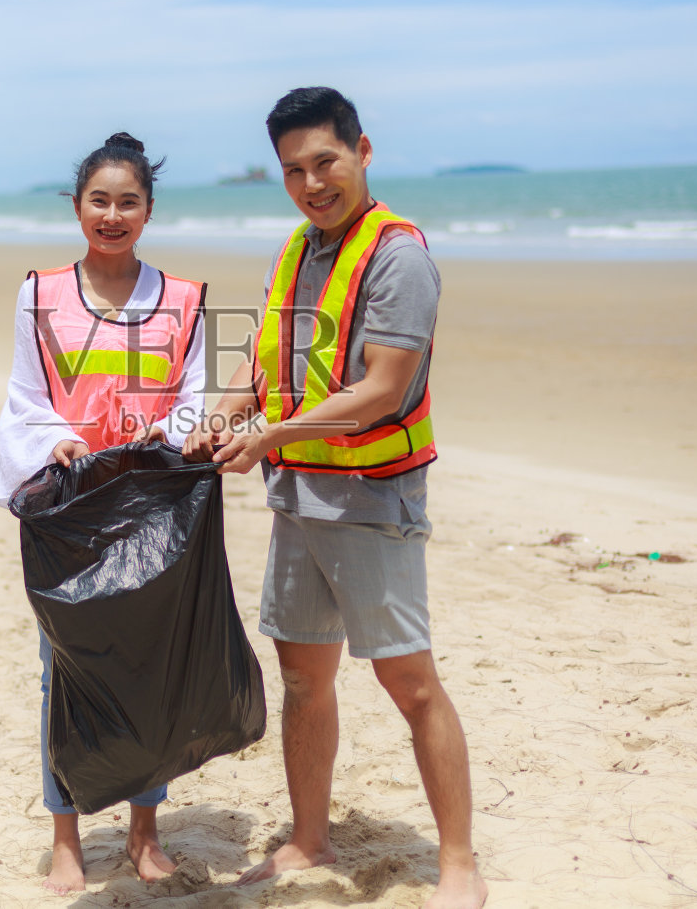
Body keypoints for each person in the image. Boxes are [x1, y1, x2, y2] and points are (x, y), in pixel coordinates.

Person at [186, 88, 487, 909]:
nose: (313, 183)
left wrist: (269, 438)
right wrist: (221, 416)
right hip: (298, 501)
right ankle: (308, 836)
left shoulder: (399, 257)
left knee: (410, 682)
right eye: (294, 170)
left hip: (370, 499)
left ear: (362, 150)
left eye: (326, 162)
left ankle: (458, 862)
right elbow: (265, 361)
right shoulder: (297, 249)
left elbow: (383, 389)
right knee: (302, 678)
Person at [0, 132, 206, 893]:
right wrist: (60, 439)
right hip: (74, 508)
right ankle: (66, 838)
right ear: (78, 205)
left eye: (128, 201)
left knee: (150, 665)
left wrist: (168, 430)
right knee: (68, 669)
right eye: (99, 200)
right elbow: (26, 397)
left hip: (152, 502)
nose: (112, 214)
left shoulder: (182, 298)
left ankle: (144, 833)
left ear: (148, 210)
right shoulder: (41, 292)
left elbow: (194, 397)